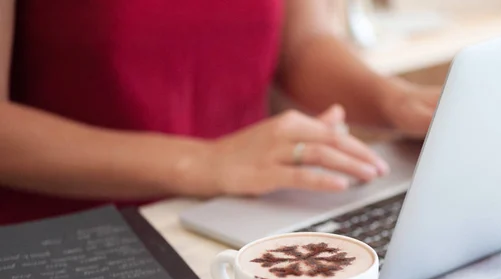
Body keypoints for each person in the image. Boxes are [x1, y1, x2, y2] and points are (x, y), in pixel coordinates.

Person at [0, 0, 440, 225]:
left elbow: (300, 47)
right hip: (73, 242)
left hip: (241, 213)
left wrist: (393, 101)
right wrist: (205, 161)